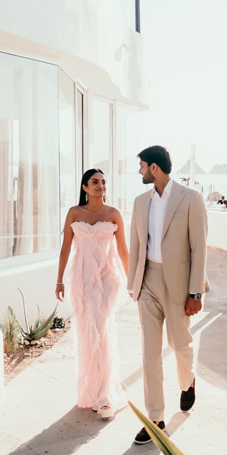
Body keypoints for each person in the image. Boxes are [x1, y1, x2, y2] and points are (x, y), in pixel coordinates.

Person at [128, 145, 209, 445]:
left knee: (179, 344)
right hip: (147, 281)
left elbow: (199, 247)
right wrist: (133, 284)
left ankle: (187, 382)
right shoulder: (139, 203)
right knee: (150, 351)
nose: (139, 171)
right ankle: (155, 419)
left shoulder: (191, 199)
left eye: (142, 166)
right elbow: (137, 245)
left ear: (154, 168)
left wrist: (195, 292)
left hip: (178, 283)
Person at [56, 168, 129, 420]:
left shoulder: (114, 213)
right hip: (82, 279)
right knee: (88, 330)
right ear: (84, 187)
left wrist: (132, 282)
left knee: (101, 325)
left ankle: (106, 395)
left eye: (103, 182)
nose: (101, 186)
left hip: (108, 276)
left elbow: (123, 251)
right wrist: (59, 281)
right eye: (95, 182)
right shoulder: (75, 213)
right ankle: (93, 390)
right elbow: (65, 248)